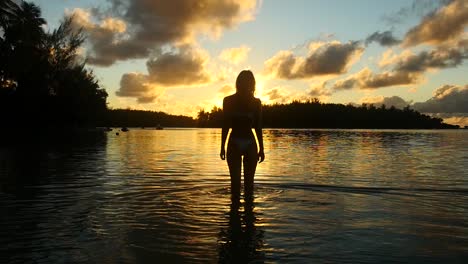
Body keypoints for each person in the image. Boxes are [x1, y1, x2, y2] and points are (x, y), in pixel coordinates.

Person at [220, 70, 265, 202]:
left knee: (249, 186)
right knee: (236, 187)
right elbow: (226, 125)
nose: (246, 84)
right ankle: (240, 218)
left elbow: (258, 127)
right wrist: (222, 146)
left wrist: (261, 148)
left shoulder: (256, 102)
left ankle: (246, 216)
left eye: (248, 82)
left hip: (249, 143)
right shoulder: (228, 100)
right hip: (235, 142)